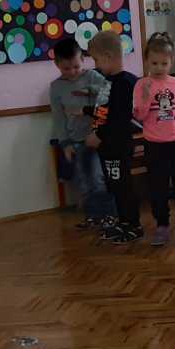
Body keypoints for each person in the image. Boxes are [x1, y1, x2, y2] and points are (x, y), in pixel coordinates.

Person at [133, 33, 175, 246]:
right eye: (154, 63)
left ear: (171, 61)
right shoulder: (141, 84)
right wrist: (146, 97)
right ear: (147, 61)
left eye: (164, 63)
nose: (159, 67)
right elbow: (139, 115)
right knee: (158, 186)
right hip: (154, 145)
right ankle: (161, 225)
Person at [49, 38, 114, 232]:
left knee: (97, 178)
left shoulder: (92, 76)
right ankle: (92, 216)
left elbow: (109, 89)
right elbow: (58, 118)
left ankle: (108, 215)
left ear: (83, 60)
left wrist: (89, 91)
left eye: (76, 67)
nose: (72, 72)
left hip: (95, 138)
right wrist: (65, 143)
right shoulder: (56, 87)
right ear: (57, 64)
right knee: (84, 182)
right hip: (75, 141)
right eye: (66, 68)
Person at [85, 31, 142, 245]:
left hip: (117, 145)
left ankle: (134, 225)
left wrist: (99, 134)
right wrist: (86, 111)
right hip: (107, 147)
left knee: (123, 186)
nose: (95, 65)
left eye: (96, 59)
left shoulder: (125, 83)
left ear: (109, 56)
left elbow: (119, 117)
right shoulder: (107, 82)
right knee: (114, 186)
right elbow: (104, 109)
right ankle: (124, 221)